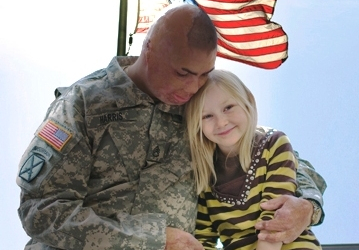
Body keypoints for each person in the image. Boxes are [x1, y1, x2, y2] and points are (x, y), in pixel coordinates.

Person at [16, 3, 325, 250]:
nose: (193, 87)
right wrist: (154, 239)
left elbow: (271, 153)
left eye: (205, 74)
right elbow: (42, 210)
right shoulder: (84, 103)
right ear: (149, 49)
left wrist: (307, 206)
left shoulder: (202, 108)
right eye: (183, 72)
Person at [185, 69, 321, 250]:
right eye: (207, 116)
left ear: (248, 101)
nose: (221, 122)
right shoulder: (204, 170)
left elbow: (274, 218)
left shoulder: (273, 143)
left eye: (228, 108)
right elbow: (204, 238)